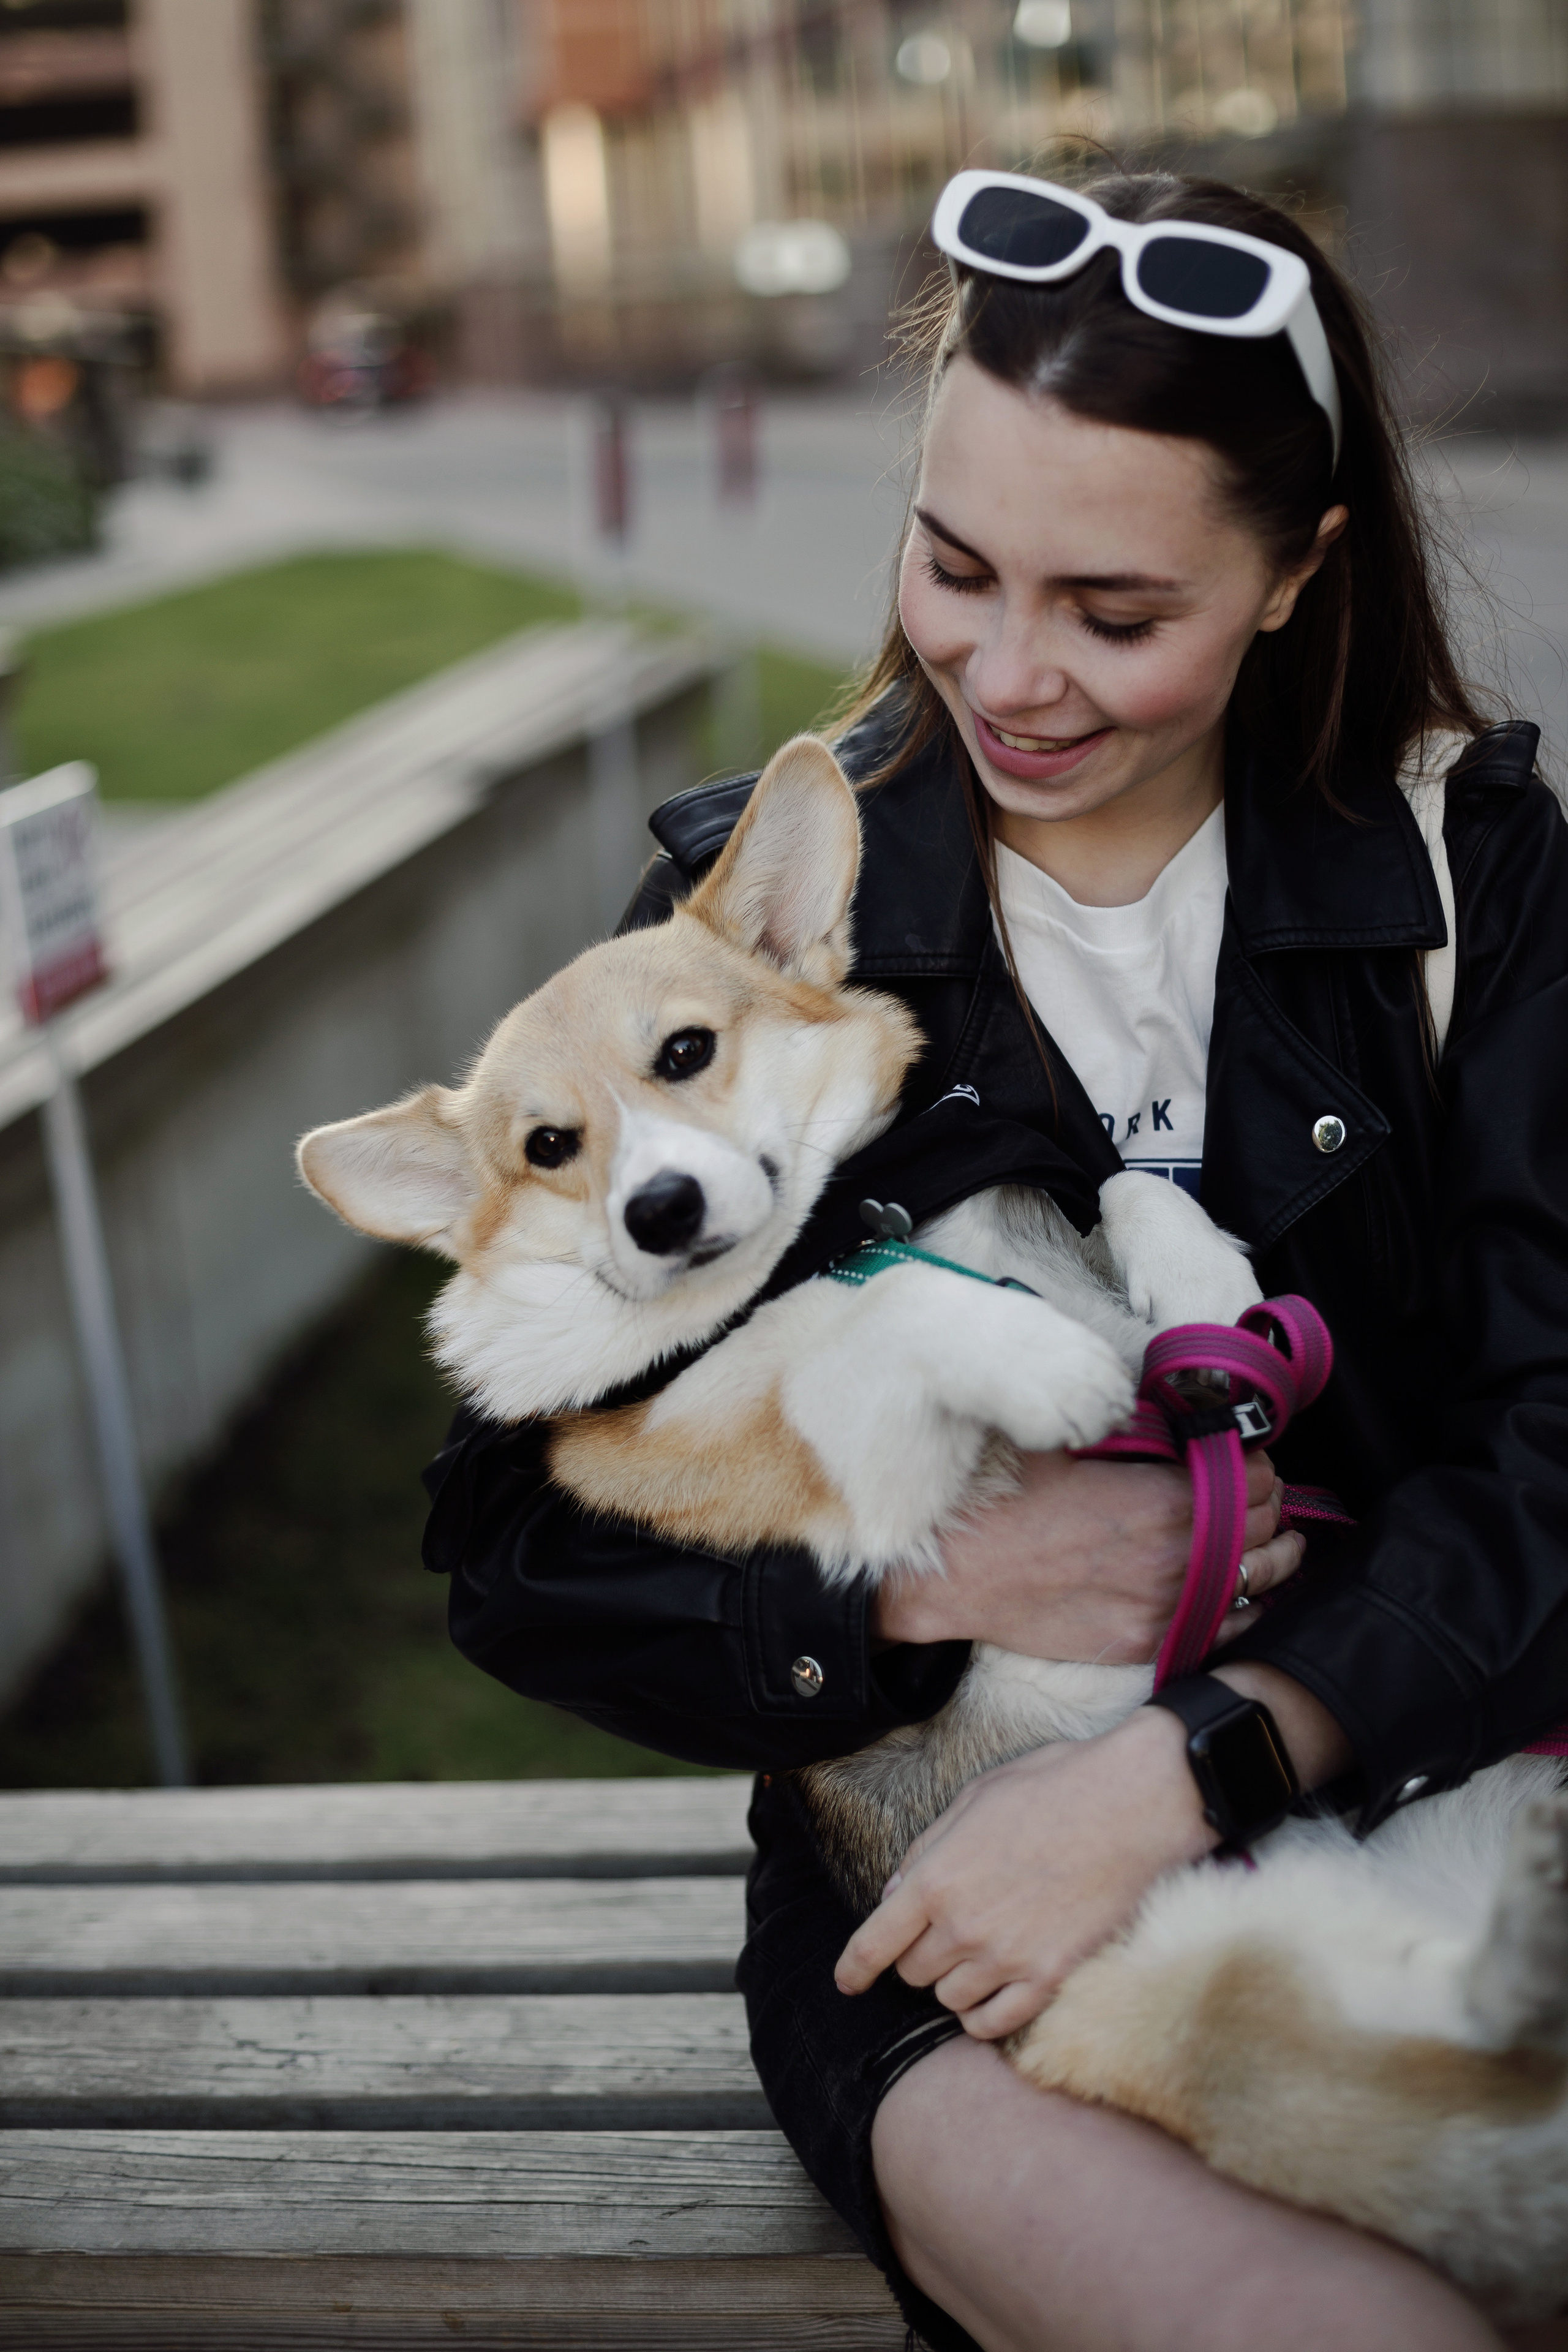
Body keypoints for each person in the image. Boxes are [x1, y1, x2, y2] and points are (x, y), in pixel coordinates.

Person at [422, 164, 1568, 2351]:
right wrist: (922, 1586)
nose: (1007, 676)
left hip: (1452, 1799)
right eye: (953, 567)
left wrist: (1211, 1754)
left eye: (1115, 612)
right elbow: (513, 1550)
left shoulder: (1473, 871)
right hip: (948, 1927)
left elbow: (1559, 1439)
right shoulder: (749, 931)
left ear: (1301, 575)